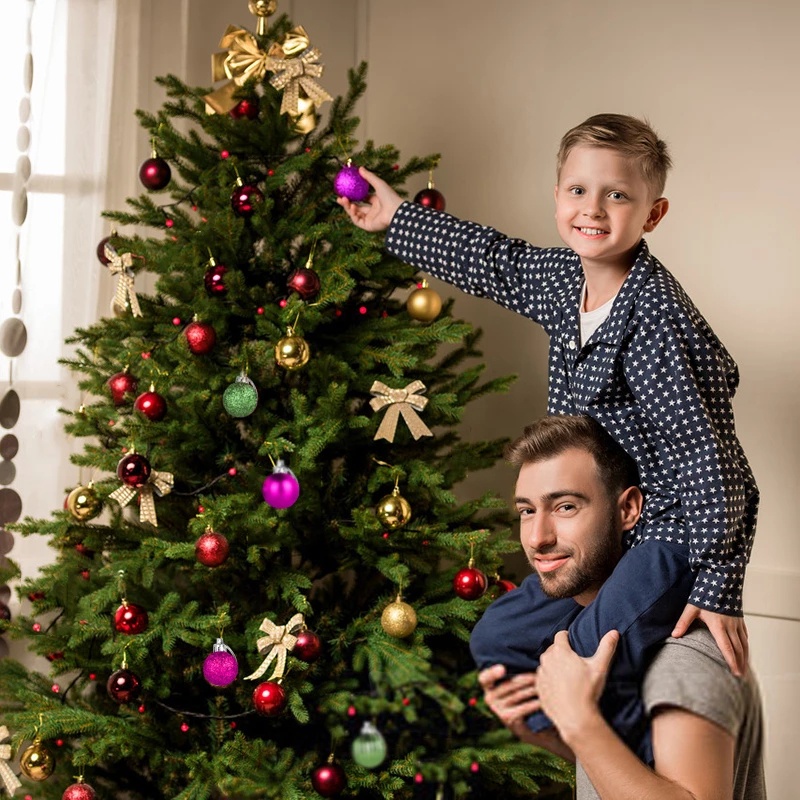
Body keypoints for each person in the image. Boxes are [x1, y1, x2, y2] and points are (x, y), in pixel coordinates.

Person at [337, 113, 759, 755]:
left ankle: (636, 764)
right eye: (578, 191)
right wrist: (398, 218)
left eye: (617, 194)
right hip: (605, 526)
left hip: (667, 536)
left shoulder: (656, 323)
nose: (593, 208)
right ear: (558, 195)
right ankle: (566, 741)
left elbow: (714, 462)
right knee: (497, 636)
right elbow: (493, 262)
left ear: (653, 213)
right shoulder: (565, 282)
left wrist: (719, 582)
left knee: (589, 653)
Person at [478, 415, 766, 799]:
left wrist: (579, 719)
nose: (537, 538)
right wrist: (541, 727)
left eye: (565, 507)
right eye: (527, 510)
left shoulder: (682, 658)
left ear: (629, 509)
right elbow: (622, 775)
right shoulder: (597, 630)